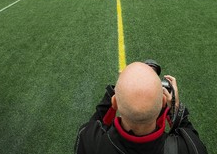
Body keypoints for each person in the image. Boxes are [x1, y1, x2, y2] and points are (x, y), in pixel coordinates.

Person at [75, 61, 208, 154]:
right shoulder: (190, 148)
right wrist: (175, 108)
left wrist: (117, 89)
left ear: (114, 102)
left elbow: (97, 120)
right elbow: (188, 133)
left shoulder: (88, 141)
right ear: (163, 101)